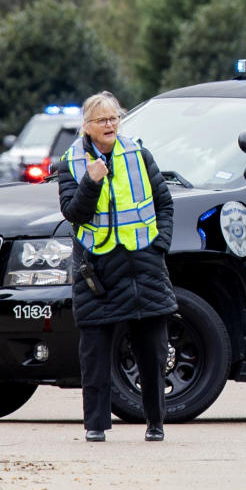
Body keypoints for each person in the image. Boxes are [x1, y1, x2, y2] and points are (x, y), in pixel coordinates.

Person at [56, 91, 176, 442]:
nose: (109, 125)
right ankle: (96, 426)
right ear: (87, 127)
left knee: (153, 354)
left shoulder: (138, 154)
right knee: (94, 354)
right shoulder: (71, 162)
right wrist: (91, 182)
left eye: (113, 118)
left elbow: (164, 203)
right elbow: (74, 215)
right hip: (97, 272)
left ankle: (155, 423)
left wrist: (160, 246)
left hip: (144, 266)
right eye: (101, 120)